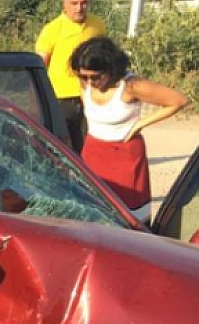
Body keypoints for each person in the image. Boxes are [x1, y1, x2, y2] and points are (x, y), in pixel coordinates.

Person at [69, 35, 188, 221]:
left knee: (127, 216)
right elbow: (88, 103)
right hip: (93, 151)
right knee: (91, 210)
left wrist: (139, 125)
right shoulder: (86, 82)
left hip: (124, 154)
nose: (90, 82)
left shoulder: (131, 86)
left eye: (96, 77)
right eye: (84, 76)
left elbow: (178, 100)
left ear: (111, 68)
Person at [34, 0, 106, 152]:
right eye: (74, 3)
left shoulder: (97, 25)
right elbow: (40, 64)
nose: (79, 8)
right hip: (61, 97)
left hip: (90, 93)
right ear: (65, 4)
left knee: (89, 143)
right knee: (61, 146)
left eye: (84, 3)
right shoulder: (52, 29)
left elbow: (104, 56)